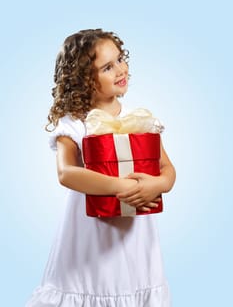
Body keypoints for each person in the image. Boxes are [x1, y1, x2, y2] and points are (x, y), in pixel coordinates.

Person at [25, 29, 176, 307]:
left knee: (135, 283)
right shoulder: (74, 123)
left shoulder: (140, 119)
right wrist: (123, 187)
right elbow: (66, 173)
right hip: (90, 234)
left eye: (120, 60)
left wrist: (157, 185)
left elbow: (167, 169)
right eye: (108, 67)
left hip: (136, 235)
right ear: (84, 80)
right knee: (92, 284)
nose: (121, 70)